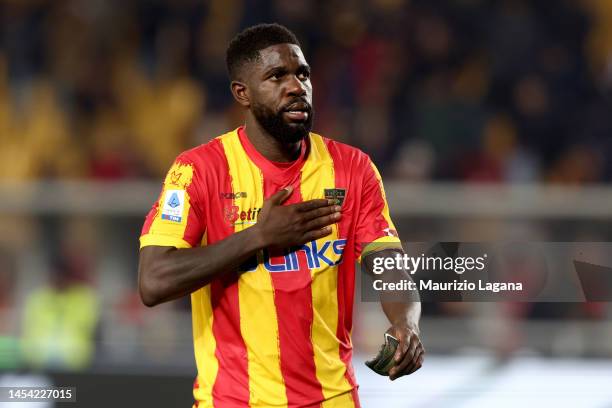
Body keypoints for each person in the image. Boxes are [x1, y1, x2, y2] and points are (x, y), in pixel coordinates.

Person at [138, 23, 423, 408]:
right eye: (277, 76)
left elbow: (389, 262)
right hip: (233, 401)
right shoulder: (198, 171)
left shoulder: (352, 168)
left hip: (332, 398)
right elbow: (153, 281)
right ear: (243, 93)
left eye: (302, 74)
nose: (296, 86)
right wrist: (257, 237)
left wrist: (406, 321)